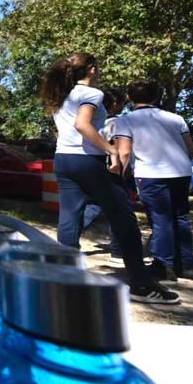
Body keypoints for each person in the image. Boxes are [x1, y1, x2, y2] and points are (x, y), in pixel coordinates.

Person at [41, 53, 179, 303]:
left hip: (63, 159)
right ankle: (141, 284)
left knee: (70, 218)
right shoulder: (92, 94)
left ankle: (64, 277)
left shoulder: (62, 95)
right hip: (88, 161)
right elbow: (83, 125)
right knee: (124, 218)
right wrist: (110, 148)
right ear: (91, 70)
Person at [114, 80, 193, 280]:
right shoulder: (175, 118)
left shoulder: (126, 120)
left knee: (161, 219)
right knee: (181, 216)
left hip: (151, 172)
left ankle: (163, 265)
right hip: (180, 171)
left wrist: (122, 172)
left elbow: (124, 151)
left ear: (129, 97)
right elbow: (191, 148)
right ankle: (187, 265)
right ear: (156, 96)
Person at [80, 87, 127, 260]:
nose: (124, 107)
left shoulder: (96, 121)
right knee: (118, 209)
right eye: (123, 103)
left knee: (91, 206)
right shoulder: (116, 123)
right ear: (115, 104)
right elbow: (120, 148)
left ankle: (71, 237)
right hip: (113, 169)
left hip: (94, 166)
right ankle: (118, 249)